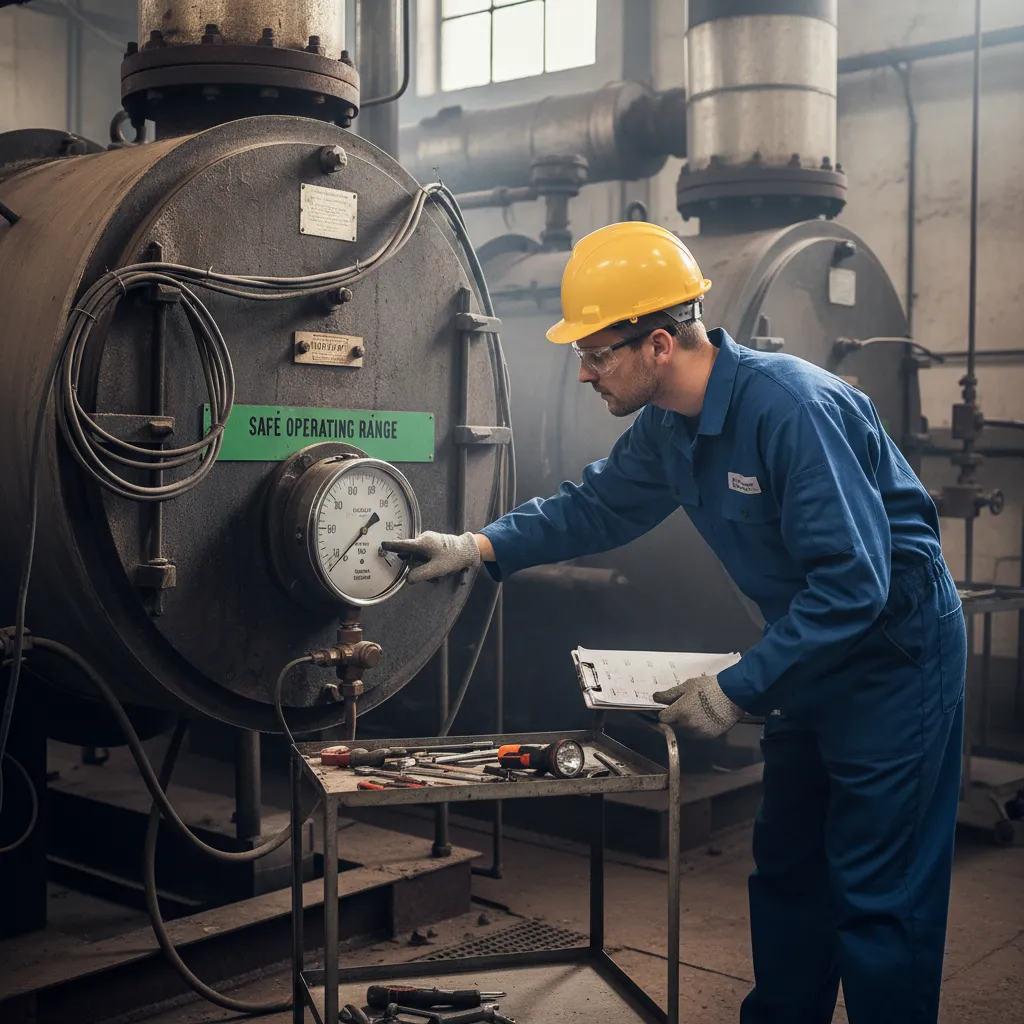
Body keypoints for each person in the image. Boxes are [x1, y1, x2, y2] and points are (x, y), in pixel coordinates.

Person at [383, 221, 967, 1024]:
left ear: (659, 343)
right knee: (790, 871)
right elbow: (596, 506)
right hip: (810, 649)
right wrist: (478, 545)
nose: (584, 373)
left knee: (880, 888)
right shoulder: (669, 427)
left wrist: (736, 689)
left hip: (894, 654)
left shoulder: (791, 409)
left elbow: (854, 586)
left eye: (596, 354)